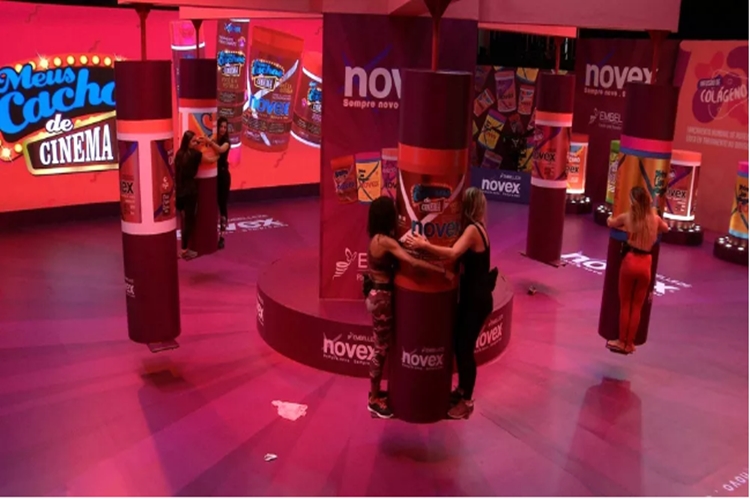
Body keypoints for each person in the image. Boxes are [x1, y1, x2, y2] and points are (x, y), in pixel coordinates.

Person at [405, 187, 496, 420]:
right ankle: (462, 390)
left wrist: (424, 246)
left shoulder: (473, 230)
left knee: (465, 349)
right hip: (472, 297)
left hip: (477, 300)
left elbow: (453, 253)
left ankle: (467, 402)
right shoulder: (475, 228)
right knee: (459, 345)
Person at [365, 196, 453, 419]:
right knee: (380, 348)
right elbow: (411, 261)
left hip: (376, 296)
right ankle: (373, 399)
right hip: (382, 298)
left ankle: (374, 393)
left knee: (380, 345)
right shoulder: (385, 241)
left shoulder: (376, 239)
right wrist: (441, 270)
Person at [606, 186, 669, 354]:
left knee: (625, 304)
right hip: (646, 263)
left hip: (630, 261)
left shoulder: (628, 217)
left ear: (632, 201)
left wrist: (611, 218)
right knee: (637, 306)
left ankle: (621, 341)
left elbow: (611, 222)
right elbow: (666, 229)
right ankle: (630, 343)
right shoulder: (655, 219)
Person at [175, 130, 216, 260]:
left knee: (184, 220)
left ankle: (184, 247)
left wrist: (198, 142)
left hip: (179, 191)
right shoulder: (195, 154)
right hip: (190, 191)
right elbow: (210, 160)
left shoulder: (179, 154)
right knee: (189, 221)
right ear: (188, 142)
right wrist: (220, 153)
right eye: (193, 141)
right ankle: (184, 249)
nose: (196, 142)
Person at [204, 117, 231, 249]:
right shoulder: (214, 138)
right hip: (212, 176)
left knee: (222, 205)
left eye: (225, 127)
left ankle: (222, 236)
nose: (223, 129)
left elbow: (220, 150)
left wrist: (210, 142)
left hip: (223, 177)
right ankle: (209, 234)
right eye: (221, 126)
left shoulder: (226, 142)